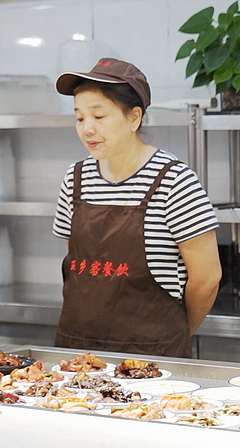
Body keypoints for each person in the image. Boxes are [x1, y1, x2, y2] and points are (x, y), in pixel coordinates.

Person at [52, 58, 221, 357]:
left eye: (99, 116)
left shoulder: (174, 181)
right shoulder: (75, 179)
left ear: (134, 118)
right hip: (77, 355)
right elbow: (76, 260)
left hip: (153, 359)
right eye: (79, 118)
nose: (87, 129)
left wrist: (176, 332)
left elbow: (207, 279)